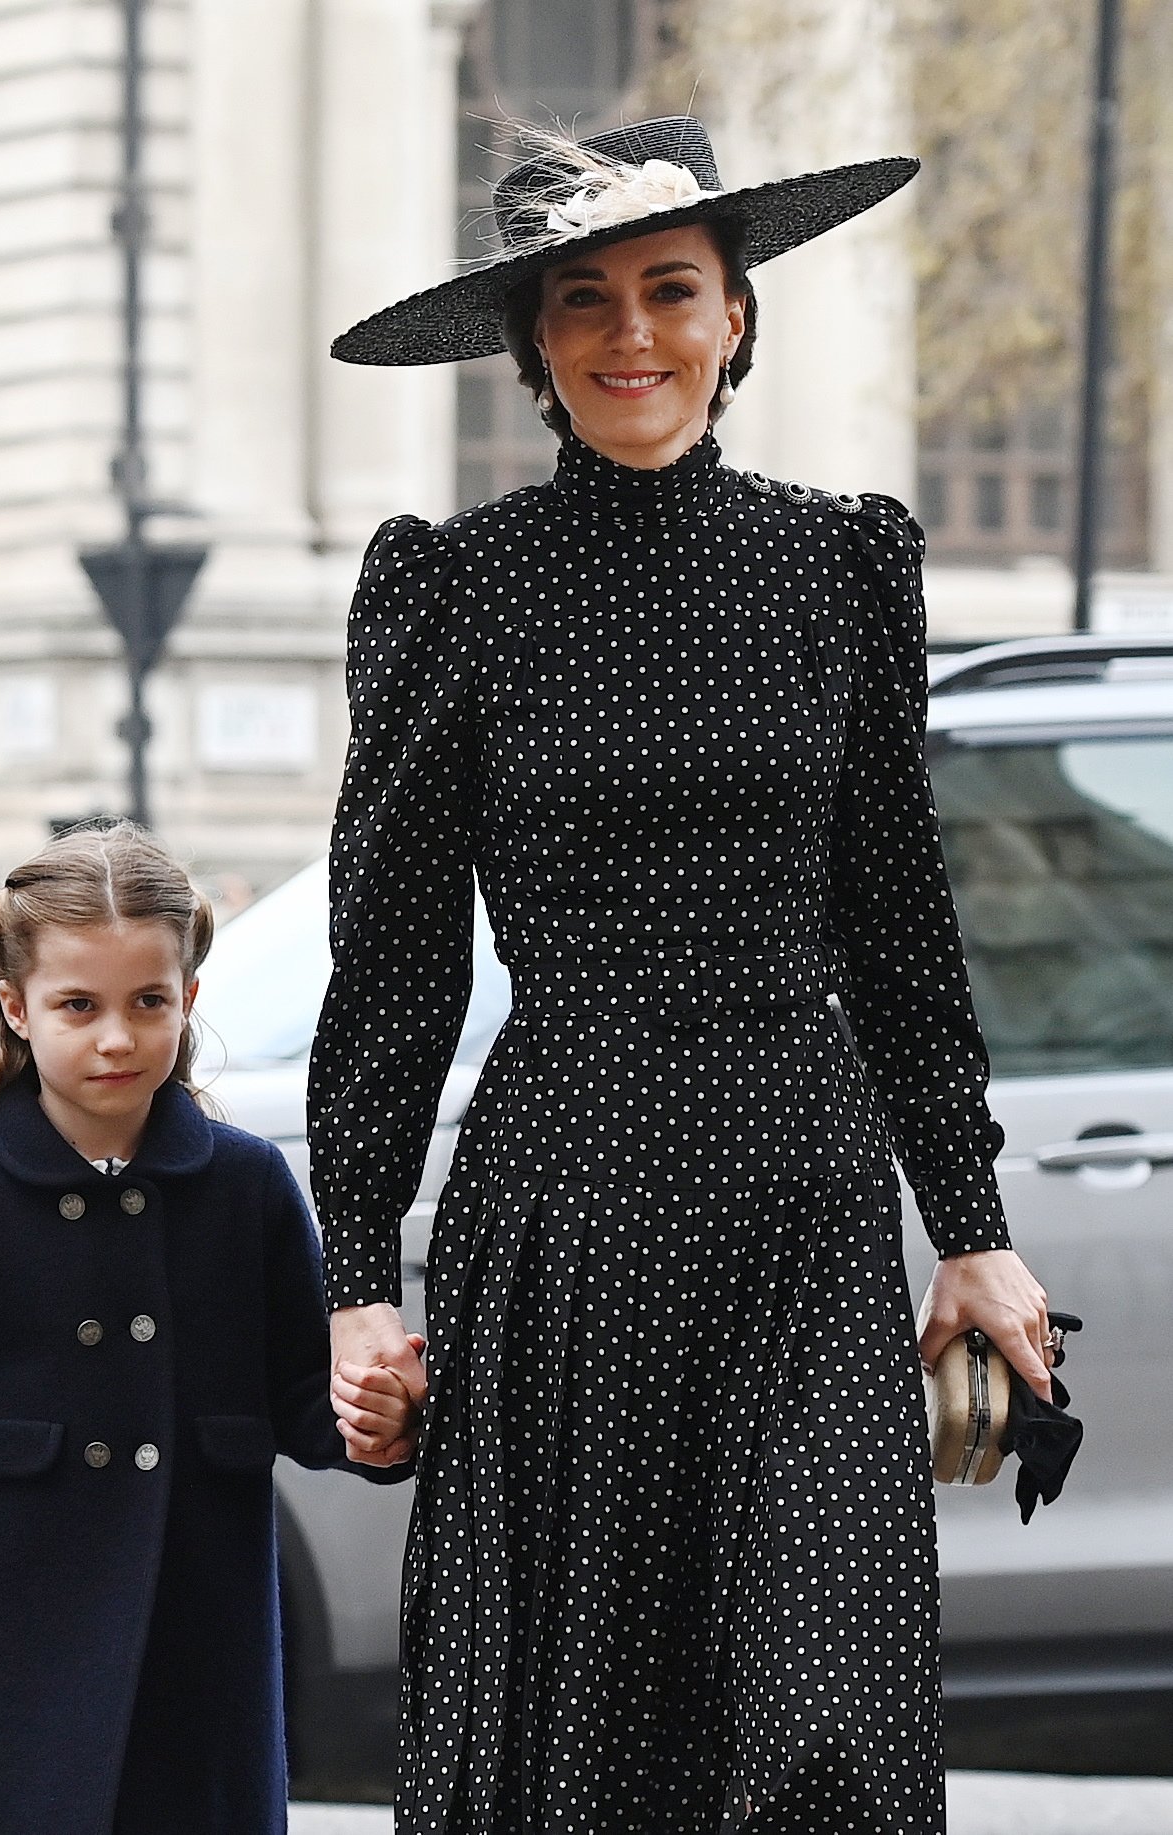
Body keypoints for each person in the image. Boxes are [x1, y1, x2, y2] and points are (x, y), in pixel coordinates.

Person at [308, 116, 1058, 1834]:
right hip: (567, 1213)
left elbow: (898, 927)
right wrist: (360, 1281)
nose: (628, 335)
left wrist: (973, 1222)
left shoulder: (836, 564)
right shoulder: (457, 589)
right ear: (532, 349)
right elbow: (394, 966)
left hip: (801, 1203)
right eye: (583, 303)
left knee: (825, 1732)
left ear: (734, 319)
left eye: (669, 290)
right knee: (583, 1743)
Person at [0, 822, 419, 1835]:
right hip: (1, 1641)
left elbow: (296, 1397)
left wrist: (377, 1419)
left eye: (148, 1001)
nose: (117, 1036)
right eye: (78, 1005)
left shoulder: (246, 1185)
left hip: (204, 1640)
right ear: (16, 1006)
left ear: (188, 997)